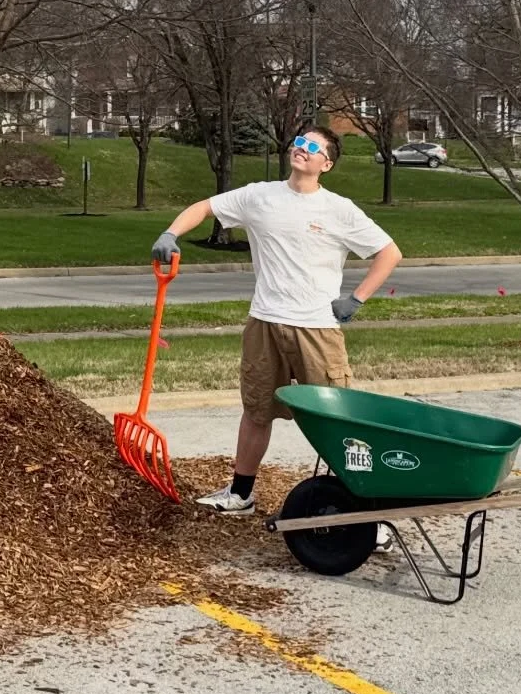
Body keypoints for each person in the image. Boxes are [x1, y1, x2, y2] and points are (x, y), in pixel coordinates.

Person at [151, 126, 403, 514]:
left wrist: (356, 298)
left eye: (312, 147)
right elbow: (204, 207)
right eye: (299, 142)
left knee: (339, 420)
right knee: (256, 410)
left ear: (327, 163)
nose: (302, 149)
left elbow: (389, 253)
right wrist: (171, 233)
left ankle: (367, 507)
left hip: (317, 328)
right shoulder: (259, 196)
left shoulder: (340, 209)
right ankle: (241, 494)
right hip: (264, 322)